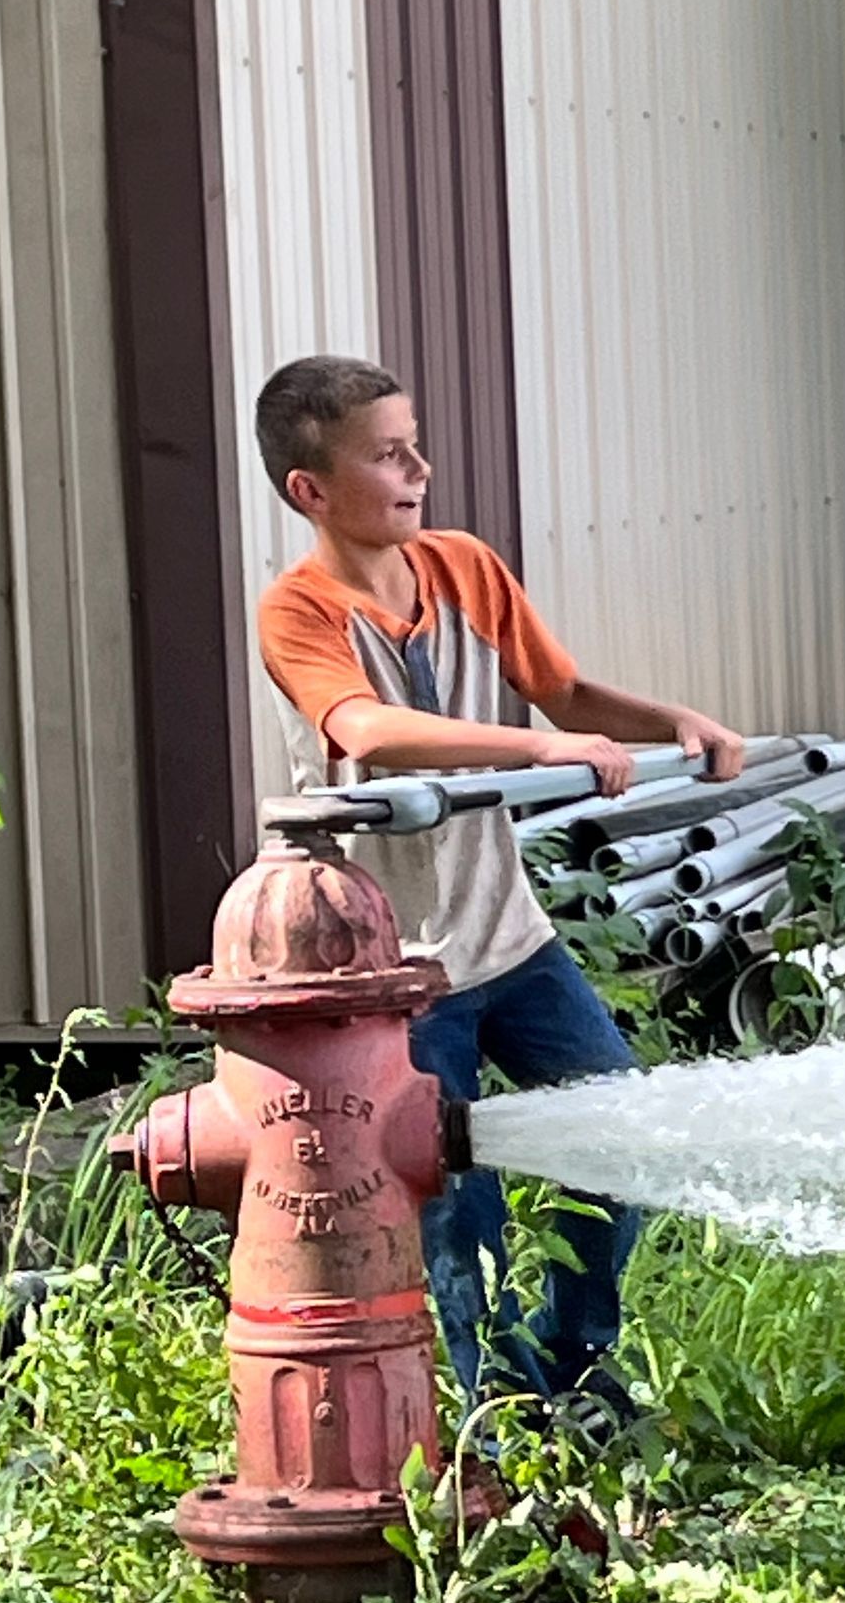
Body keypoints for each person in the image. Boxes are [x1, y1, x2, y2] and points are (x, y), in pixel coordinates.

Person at [252, 354, 745, 1438]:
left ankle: (577, 1373)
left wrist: (674, 722)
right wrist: (538, 748)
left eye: (415, 444)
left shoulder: (465, 568)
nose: (419, 468)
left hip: (510, 942)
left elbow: (562, 690)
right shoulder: (297, 612)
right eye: (388, 455)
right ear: (311, 490)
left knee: (620, 1133)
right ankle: (498, 1424)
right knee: (455, 1215)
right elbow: (367, 730)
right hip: (395, 972)